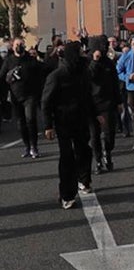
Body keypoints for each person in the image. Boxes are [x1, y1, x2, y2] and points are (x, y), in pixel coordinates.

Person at [42, 41, 96, 209]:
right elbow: (46, 102)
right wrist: (48, 125)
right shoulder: (57, 75)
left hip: (81, 119)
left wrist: (96, 114)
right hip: (63, 122)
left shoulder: (84, 73)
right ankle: (67, 194)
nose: (83, 55)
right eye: (80, 52)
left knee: (84, 151)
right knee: (67, 157)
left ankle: (84, 180)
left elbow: (89, 96)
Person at [2, 36, 47, 158]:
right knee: (21, 123)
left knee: (30, 119)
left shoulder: (30, 60)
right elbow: (2, 77)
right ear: (13, 46)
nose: (19, 46)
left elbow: (44, 70)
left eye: (21, 44)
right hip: (16, 97)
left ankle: (34, 147)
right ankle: (27, 147)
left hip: (30, 96)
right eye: (17, 44)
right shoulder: (8, 61)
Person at [88, 35, 120, 173]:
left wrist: (119, 101)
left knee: (109, 133)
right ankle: (98, 160)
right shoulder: (88, 62)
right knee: (94, 135)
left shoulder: (109, 63)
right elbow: (89, 77)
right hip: (92, 104)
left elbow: (115, 83)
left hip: (108, 103)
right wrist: (95, 60)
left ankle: (108, 153)